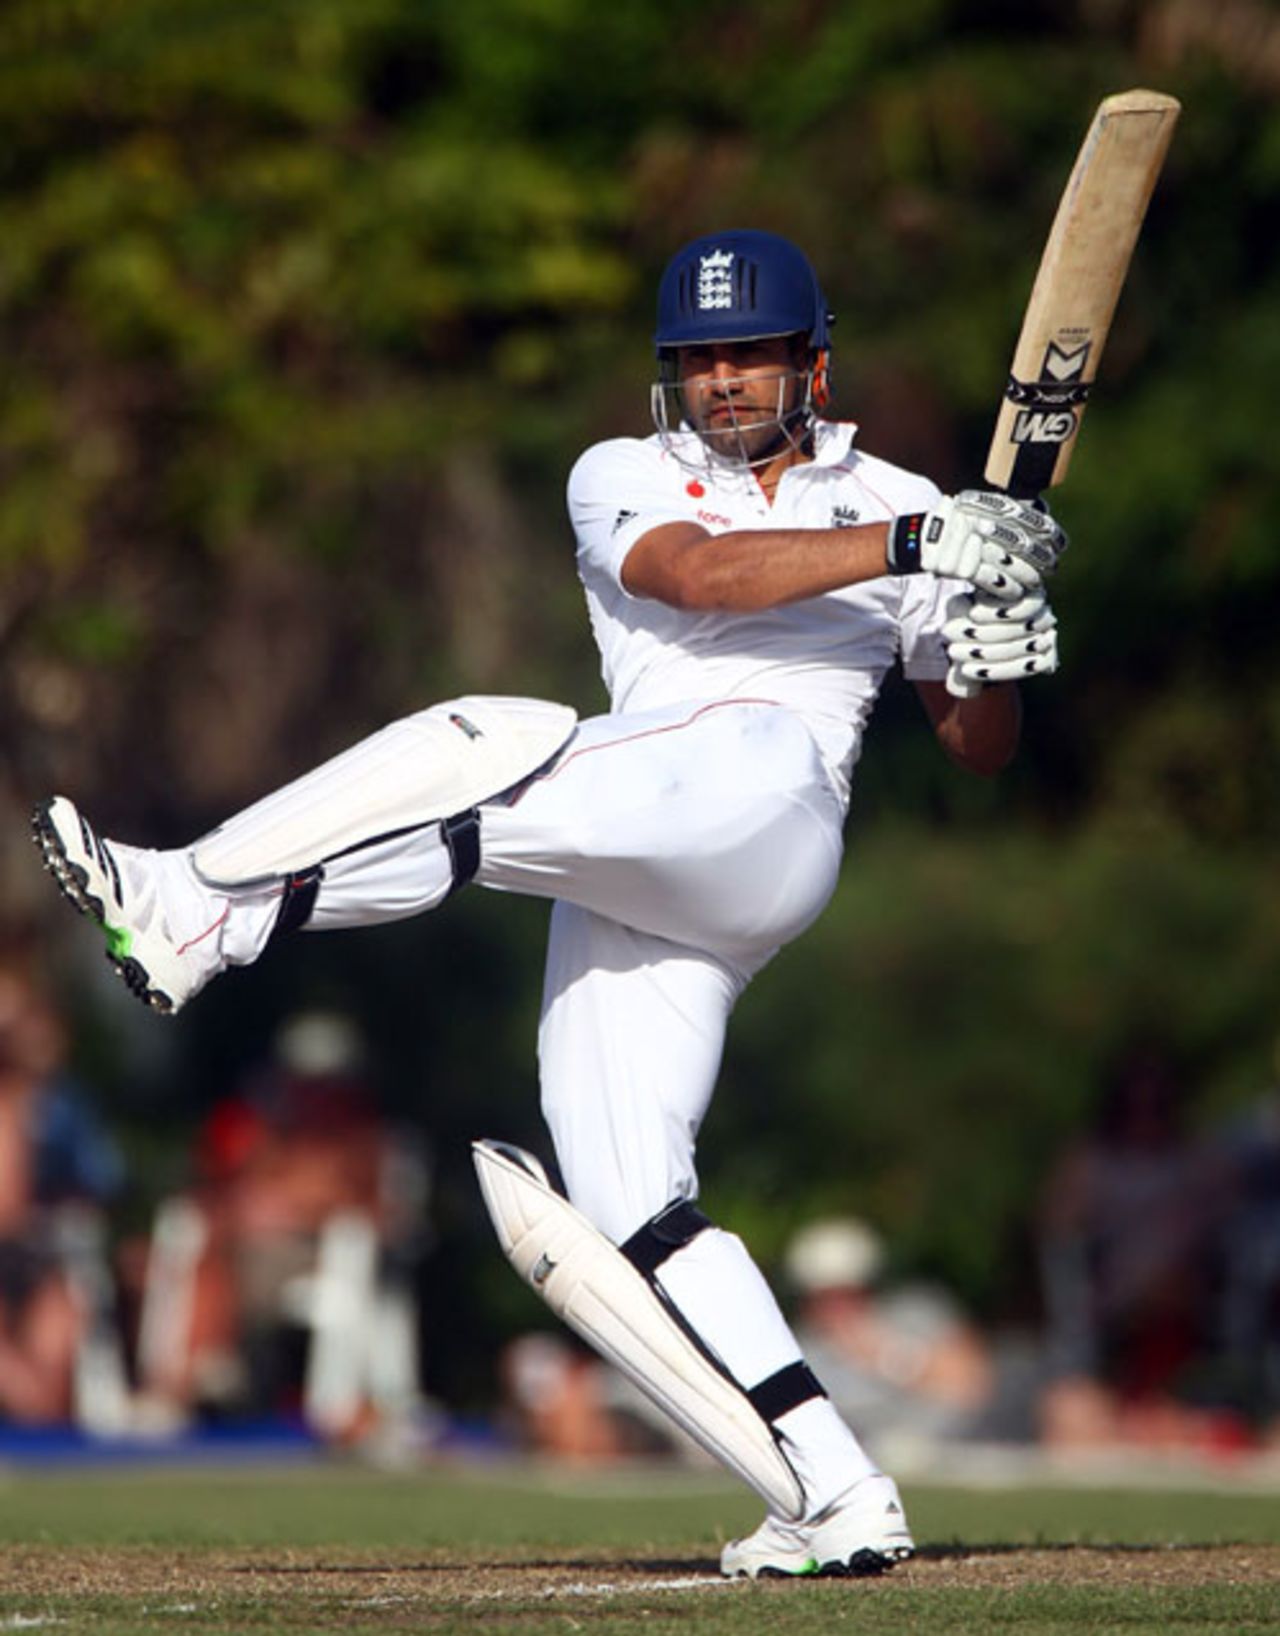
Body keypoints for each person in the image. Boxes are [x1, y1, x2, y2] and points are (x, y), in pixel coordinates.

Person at [32, 229, 1063, 1576]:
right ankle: (833, 1488)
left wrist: (995, 649)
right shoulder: (621, 473)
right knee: (631, 1205)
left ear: (813, 364)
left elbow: (977, 745)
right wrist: (922, 544)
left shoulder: (900, 494)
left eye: (750, 354)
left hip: (771, 799)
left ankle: (198, 900)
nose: (723, 381)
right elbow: (695, 576)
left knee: (490, 748)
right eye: (699, 359)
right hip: (641, 846)